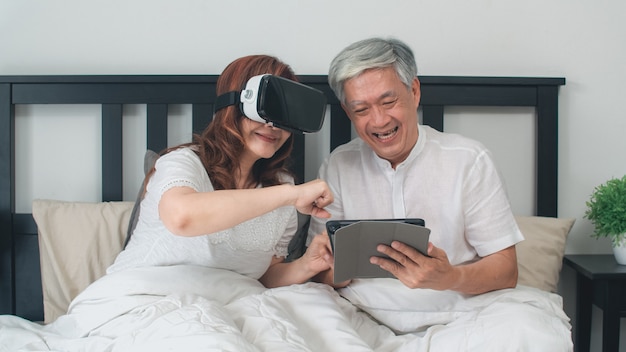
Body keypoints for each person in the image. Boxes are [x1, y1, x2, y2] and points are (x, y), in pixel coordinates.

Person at [307, 37, 573, 350]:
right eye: (361, 109)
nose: (378, 121)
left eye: (388, 102)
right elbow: (319, 272)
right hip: (361, 314)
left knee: (529, 330)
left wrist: (447, 277)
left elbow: (506, 271)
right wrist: (332, 272)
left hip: (461, 313)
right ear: (347, 111)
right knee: (293, 307)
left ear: (414, 91)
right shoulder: (338, 165)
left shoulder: (469, 159)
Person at [107, 54, 335, 288]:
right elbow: (182, 218)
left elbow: (264, 278)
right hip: (146, 295)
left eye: (283, 114)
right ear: (233, 105)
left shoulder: (282, 187)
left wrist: (307, 264)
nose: (273, 125)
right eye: (266, 109)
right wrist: (291, 195)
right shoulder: (183, 163)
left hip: (229, 304)